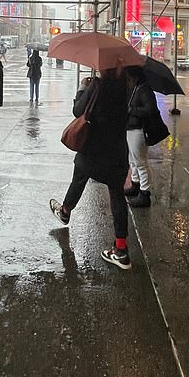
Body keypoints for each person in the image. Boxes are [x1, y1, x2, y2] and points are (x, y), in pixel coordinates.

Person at [49, 68, 132, 270]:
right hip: (117, 150)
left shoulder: (96, 85)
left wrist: (82, 88)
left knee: (79, 176)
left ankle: (65, 210)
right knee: (117, 196)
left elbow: (78, 111)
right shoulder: (127, 87)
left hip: (94, 148)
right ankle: (120, 249)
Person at [123, 65, 158, 208]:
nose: (128, 82)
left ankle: (145, 193)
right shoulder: (136, 89)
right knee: (133, 160)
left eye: (129, 79)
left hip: (139, 130)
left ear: (136, 78)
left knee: (140, 162)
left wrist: (132, 110)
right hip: (131, 128)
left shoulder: (144, 90)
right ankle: (135, 184)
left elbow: (151, 109)